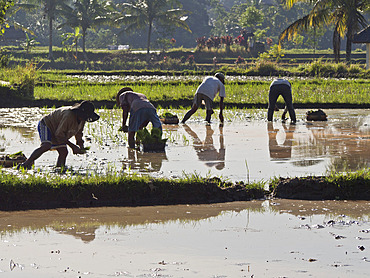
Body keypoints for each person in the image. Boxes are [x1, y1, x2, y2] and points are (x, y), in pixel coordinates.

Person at [18, 101, 100, 169]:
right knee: (46, 145)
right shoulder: (68, 116)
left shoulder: (82, 120)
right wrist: (73, 146)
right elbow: (59, 135)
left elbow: (79, 133)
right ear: (80, 113)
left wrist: (81, 147)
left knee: (63, 151)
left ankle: (59, 169)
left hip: (57, 129)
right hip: (47, 125)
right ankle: (26, 164)